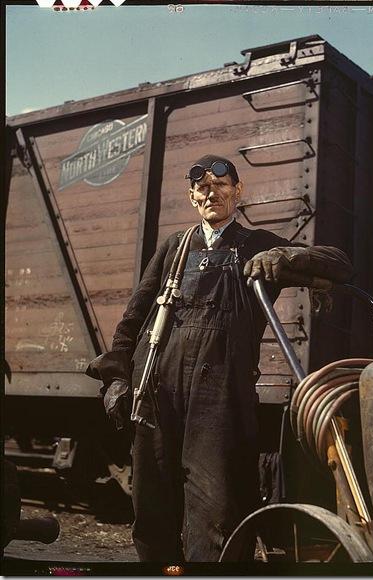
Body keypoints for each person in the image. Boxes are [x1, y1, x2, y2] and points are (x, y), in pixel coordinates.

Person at [86, 154, 353, 562]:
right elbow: (135, 318)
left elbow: (338, 262)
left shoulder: (258, 244)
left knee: (218, 513)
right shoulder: (175, 248)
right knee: (151, 508)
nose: (213, 194)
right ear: (193, 197)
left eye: (221, 186)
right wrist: (117, 378)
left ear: (237, 191)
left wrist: (286, 258)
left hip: (221, 398)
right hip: (158, 391)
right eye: (203, 188)